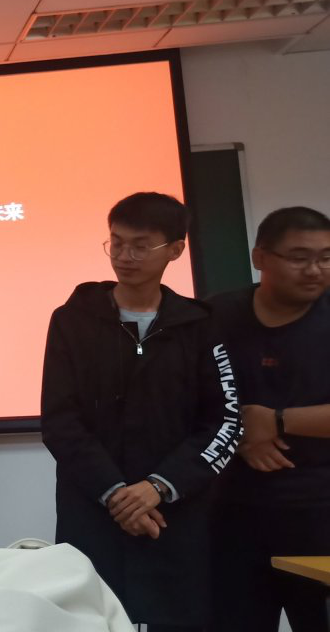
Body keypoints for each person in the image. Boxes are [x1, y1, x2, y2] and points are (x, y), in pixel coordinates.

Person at [41, 192, 240, 630]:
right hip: (93, 507)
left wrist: (157, 487)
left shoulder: (201, 324)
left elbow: (225, 421)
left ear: (175, 249)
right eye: (116, 242)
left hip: (175, 512)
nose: (124, 256)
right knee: (92, 619)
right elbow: (59, 421)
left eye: (140, 246)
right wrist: (117, 494)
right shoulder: (73, 319)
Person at [209, 206, 330, 632]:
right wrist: (242, 431)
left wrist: (277, 420)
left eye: (326, 257)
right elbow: (183, 401)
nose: (314, 269)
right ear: (260, 257)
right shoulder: (214, 316)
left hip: (319, 513)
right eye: (299, 257)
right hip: (231, 514)